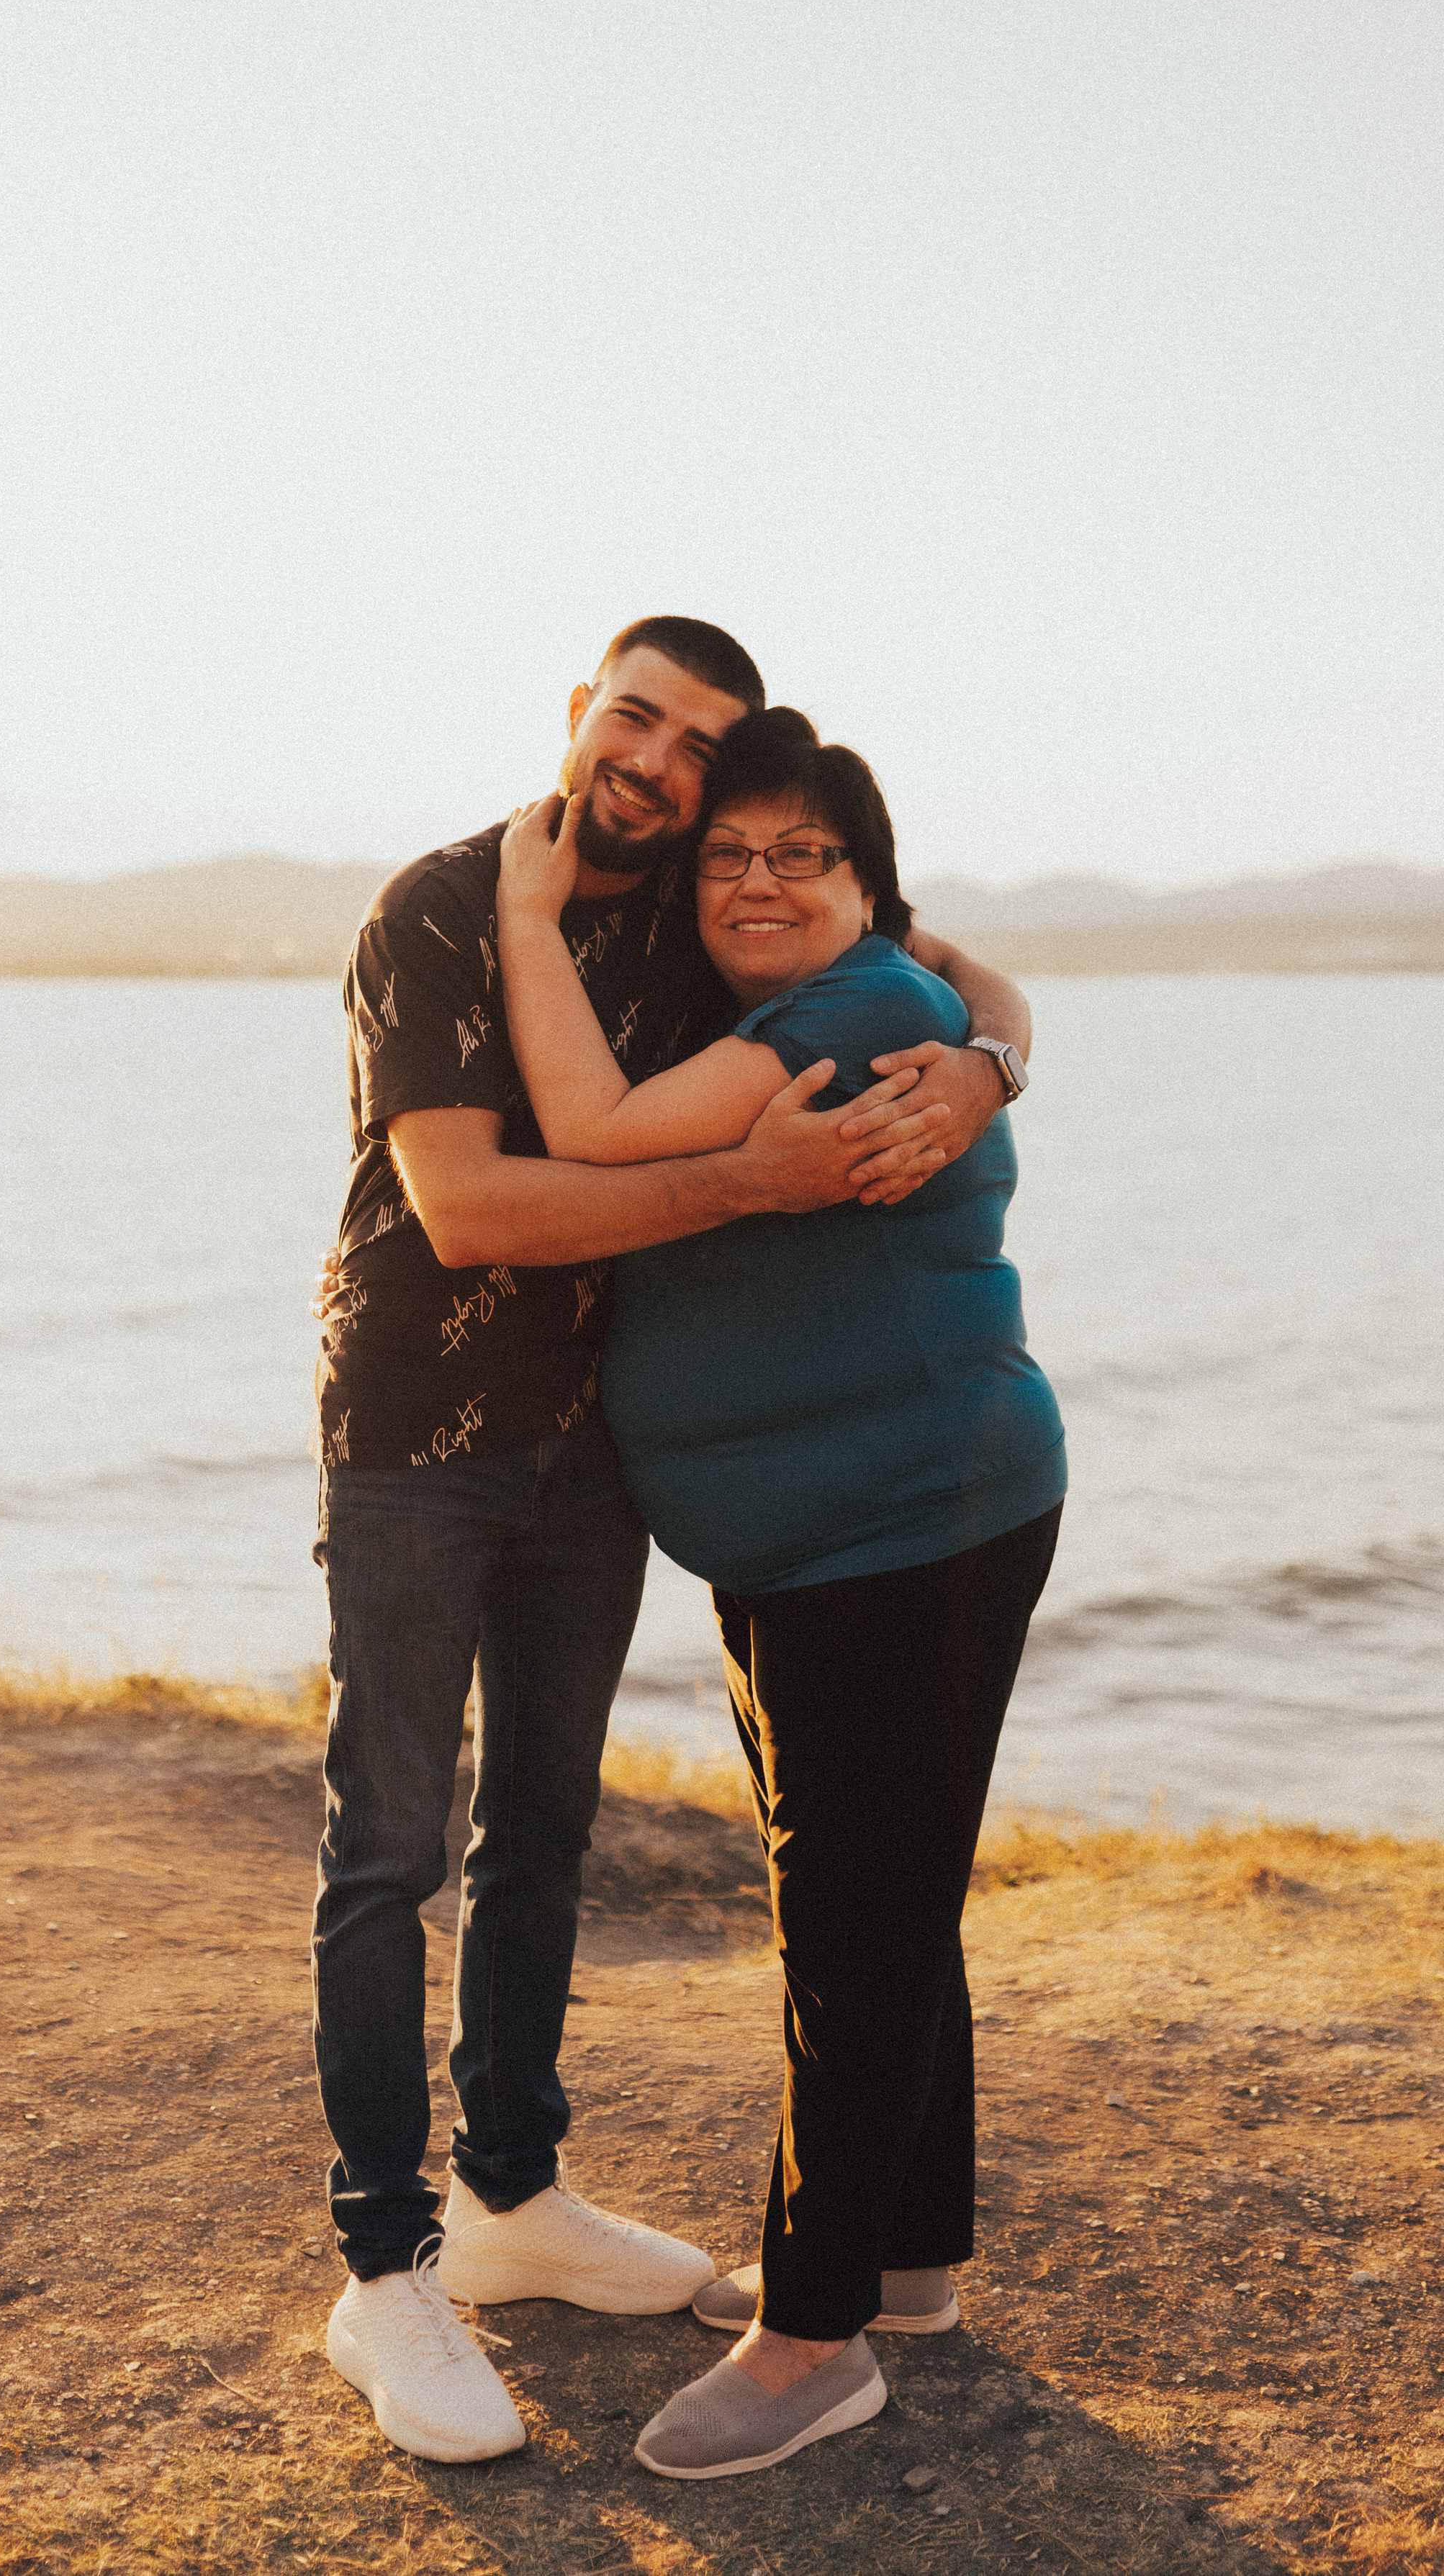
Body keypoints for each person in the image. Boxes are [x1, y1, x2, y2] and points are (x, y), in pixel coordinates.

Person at [313, 621, 1033, 2464]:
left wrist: (989, 1064)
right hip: (422, 1432)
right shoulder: (449, 904)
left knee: (575, 1835)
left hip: (635, 1469)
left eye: (705, 759)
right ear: (582, 715)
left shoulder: (724, 929)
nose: (661, 770)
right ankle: (390, 2270)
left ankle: (547, 2208)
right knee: (396, 1842)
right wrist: (768, 1169)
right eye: (634, 720)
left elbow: (939, 974)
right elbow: (473, 1202)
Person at [494, 706, 1065, 2481]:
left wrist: (517, 921)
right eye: (728, 854)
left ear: (862, 886)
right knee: (892, 1891)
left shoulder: (833, 1031)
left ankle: (811, 2336)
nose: (754, 878)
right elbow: (974, 975)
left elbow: (585, 1131)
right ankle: (901, 2264)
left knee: (851, 1914)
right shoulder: (874, 997)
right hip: (828, 1531)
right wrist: (997, 1040)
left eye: (799, 855)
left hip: (902, 1524)